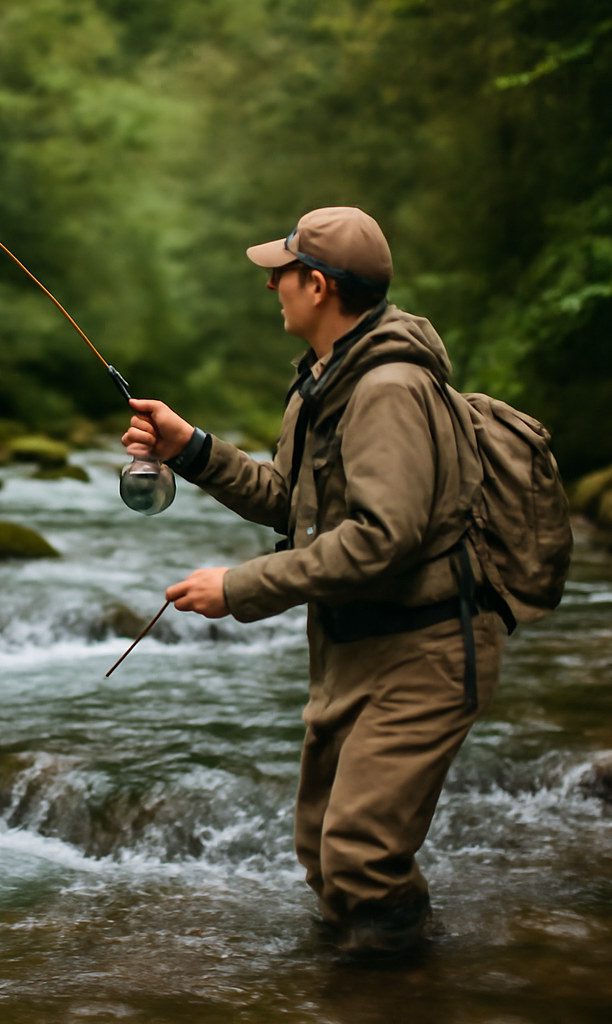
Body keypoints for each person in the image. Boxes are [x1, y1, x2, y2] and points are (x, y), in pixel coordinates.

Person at [121, 206, 504, 957]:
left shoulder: (389, 388)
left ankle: (399, 986)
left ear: (319, 286)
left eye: (284, 273)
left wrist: (240, 588)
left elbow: (383, 538)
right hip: (352, 645)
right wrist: (190, 448)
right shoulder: (319, 385)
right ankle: (379, 984)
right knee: (326, 857)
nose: (272, 285)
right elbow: (291, 502)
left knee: (360, 859)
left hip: (424, 651)